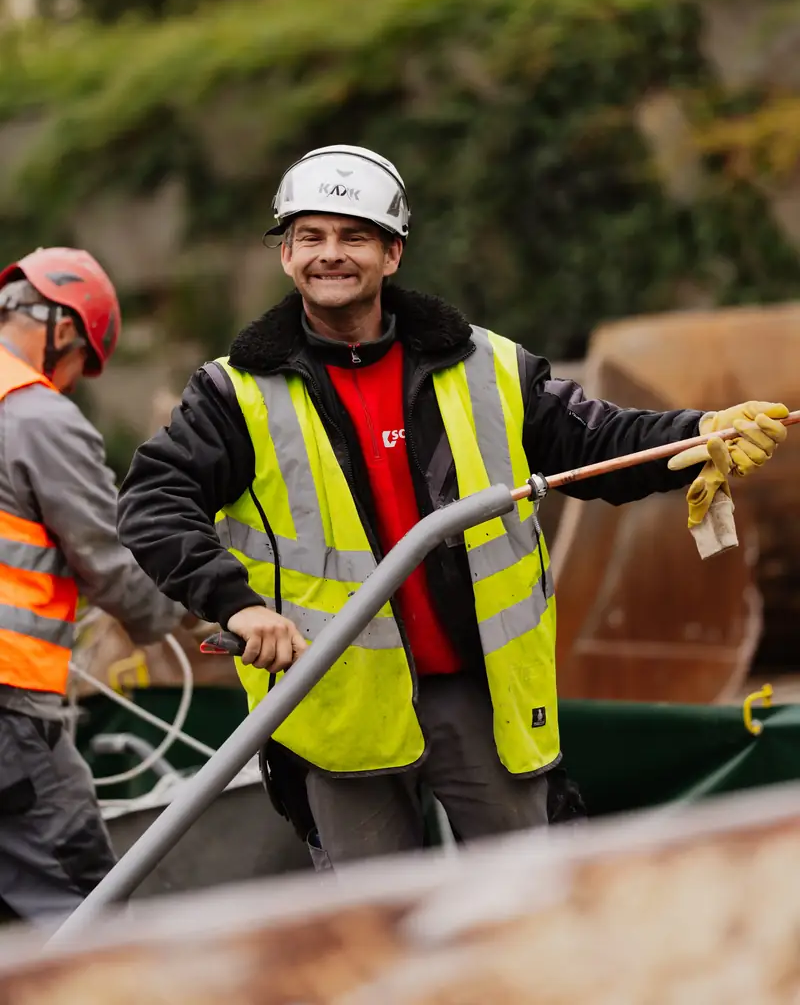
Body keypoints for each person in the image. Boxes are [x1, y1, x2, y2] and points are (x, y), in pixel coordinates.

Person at [117, 145, 788, 868]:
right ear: (286, 255)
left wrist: (699, 433)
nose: (330, 254)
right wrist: (237, 604)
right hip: (338, 704)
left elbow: (596, 441)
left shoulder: (485, 364)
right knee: (379, 921)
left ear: (392, 253)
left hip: (480, 694)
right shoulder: (234, 393)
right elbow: (153, 501)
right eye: (310, 236)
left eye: (354, 236)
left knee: (526, 895)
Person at [0, 247, 186, 922]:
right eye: (82, 362)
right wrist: (174, 612)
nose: (74, 381)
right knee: (87, 915)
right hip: (10, 708)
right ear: (65, 330)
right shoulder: (37, 418)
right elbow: (109, 557)